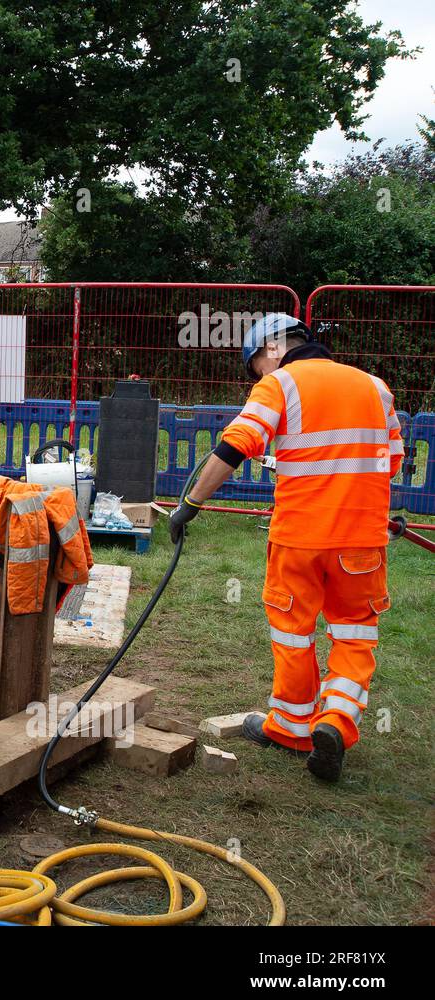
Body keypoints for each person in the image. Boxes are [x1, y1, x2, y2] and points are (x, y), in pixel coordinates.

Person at [168, 313, 402, 782]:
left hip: (300, 538)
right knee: (354, 632)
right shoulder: (375, 387)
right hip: (362, 540)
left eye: (256, 365)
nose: (258, 376)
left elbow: (235, 447)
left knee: (293, 632)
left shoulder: (281, 385)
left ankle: (292, 728)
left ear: (272, 348)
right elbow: (391, 462)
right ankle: (335, 721)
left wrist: (189, 504)